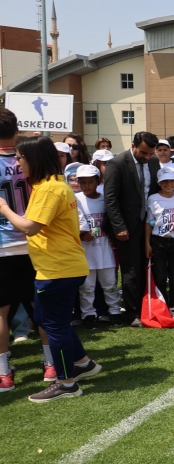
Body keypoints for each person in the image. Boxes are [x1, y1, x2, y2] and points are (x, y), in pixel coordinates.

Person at [0, 136, 101, 402]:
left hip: (59, 269)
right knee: (47, 320)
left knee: (54, 326)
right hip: (57, 266)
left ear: (33, 159)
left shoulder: (49, 189)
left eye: (20, 158)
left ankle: (66, 383)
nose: (17, 164)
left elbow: (29, 227)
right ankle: (83, 363)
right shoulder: (51, 184)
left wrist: (4, 208)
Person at [103, 131, 161, 327]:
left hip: (149, 225)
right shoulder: (117, 163)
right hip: (126, 228)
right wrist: (119, 226)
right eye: (144, 153)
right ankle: (132, 313)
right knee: (131, 271)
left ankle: (149, 307)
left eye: (151, 153)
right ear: (133, 145)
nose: (147, 157)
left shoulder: (153, 162)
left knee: (149, 267)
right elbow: (110, 198)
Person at [0, 109, 38, 392]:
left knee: (0, 313)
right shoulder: (30, 157)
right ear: (16, 130)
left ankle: (3, 372)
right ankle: (51, 364)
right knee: (40, 306)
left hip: (3, 243)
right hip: (35, 241)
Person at [75, 165, 120, 327]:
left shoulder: (105, 199)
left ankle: (114, 312)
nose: (87, 186)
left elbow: (114, 220)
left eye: (91, 182)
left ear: (98, 181)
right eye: (82, 182)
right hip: (85, 250)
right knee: (87, 286)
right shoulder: (75, 199)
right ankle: (88, 315)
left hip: (105, 248)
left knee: (110, 284)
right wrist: (80, 234)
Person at [146, 166, 174, 320]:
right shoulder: (153, 198)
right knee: (160, 276)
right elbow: (149, 222)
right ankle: (162, 305)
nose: (168, 184)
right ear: (158, 183)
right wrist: (147, 244)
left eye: (171, 181)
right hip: (159, 241)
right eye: (164, 181)